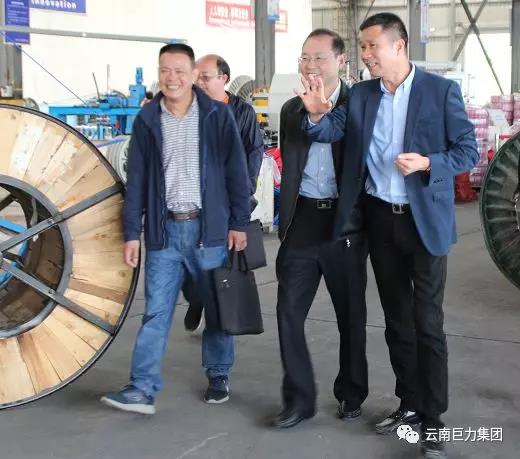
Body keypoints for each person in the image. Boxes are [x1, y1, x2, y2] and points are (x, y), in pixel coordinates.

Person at [300, 13, 478, 458]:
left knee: (427, 323)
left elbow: (467, 151)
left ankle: (433, 420)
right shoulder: (362, 94)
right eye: (362, 46)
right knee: (397, 321)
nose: (365, 54)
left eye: (371, 46)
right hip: (380, 220)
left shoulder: (440, 92)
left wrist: (428, 163)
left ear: (398, 46)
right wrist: (317, 114)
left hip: (424, 222)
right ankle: (409, 404)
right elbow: (334, 130)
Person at [100, 43, 250, 414]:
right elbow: (136, 179)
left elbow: (236, 171)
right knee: (155, 312)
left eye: (180, 70)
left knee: (217, 308)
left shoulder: (216, 115)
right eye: (165, 70)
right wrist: (132, 232)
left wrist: (239, 223)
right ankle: (141, 388)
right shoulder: (147, 119)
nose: (172, 78)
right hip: (164, 233)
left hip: (209, 232)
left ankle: (218, 373)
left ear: (194, 74)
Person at [271, 28, 369, 429]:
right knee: (288, 313)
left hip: (345, 224)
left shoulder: (360, 103)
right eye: (304, 57)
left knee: (351, 316)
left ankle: (351, 393)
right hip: (303, 220)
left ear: (341, 60)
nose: (310, 65)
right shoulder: (290, 109)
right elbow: (291, 167)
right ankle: (299, 400)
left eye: (319, 57)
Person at [182, 54, 263, 333]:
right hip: (193, 203)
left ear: (224, 79)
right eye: (196, 78)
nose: (199, 83)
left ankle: (216, 319)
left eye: (205, 78)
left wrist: (244, 192)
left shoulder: (242, 112)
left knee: (221, 264)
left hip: (227, 201)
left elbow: (254, 152)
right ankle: (198, 297)